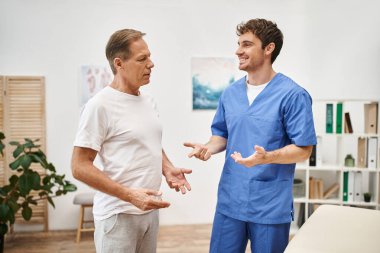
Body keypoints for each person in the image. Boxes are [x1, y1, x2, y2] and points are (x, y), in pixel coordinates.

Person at [184, 19, 317, 253]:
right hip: (230, 200)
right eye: (238, 44)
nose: (238, 51)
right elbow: (221, 136)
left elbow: (304, 149)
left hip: (269, 205)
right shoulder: (230, 93)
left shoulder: (293, 95)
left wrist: (268, 157)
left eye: (246, 44)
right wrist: (207, 148)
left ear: (268, 48)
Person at [71, 28, 192, 253]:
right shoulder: (100, 105)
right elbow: (79, 166)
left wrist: (166, 168)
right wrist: (129, 195)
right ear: (119, 63)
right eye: (142, 59)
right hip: (118, 215)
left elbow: (147, 140)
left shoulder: (148, 100)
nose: (151, 64)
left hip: (149, 212)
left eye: (150, 57)